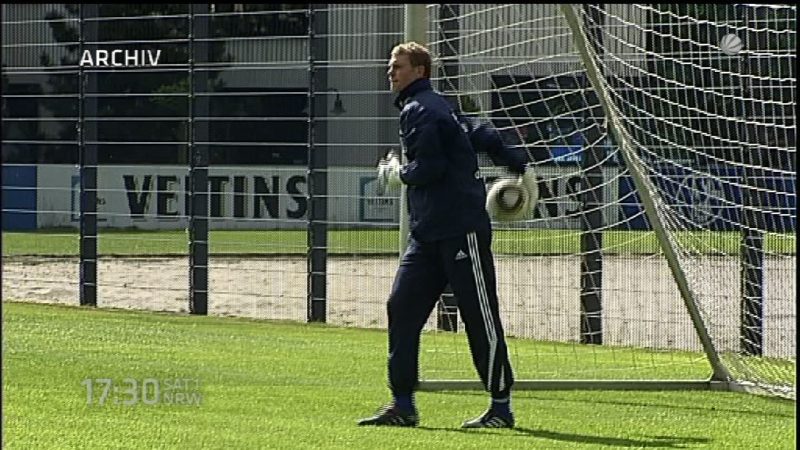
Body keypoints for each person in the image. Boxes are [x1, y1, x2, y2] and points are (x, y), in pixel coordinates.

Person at [357, 42, 533, 429]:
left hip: (459, 230)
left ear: (420, 71)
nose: (391, 72)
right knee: (401, 308)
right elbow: (481, 132)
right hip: (428, 233)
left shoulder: (422, 109)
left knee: (479, 315)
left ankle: (500, 407)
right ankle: (402, 404)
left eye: (398, 66)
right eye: (391, 66)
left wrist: (398, 173)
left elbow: (431, 168)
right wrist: (517, 163)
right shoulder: (436, 106)